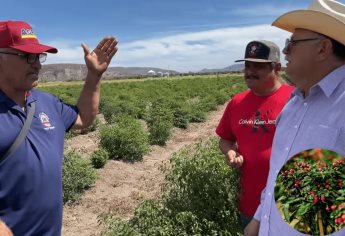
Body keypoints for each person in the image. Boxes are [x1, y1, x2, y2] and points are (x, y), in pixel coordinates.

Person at [0, 20, 117, 235]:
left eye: (38, 57)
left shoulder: (46, 102)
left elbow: (83, 118)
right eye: (27, 56)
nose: (37, 64)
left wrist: (94, 76)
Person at [244, 0, 345, 235]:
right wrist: (260, 218)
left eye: (293, 43)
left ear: (323, 48)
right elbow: (279, 174)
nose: (286, 50)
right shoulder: (296, 101)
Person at [215, 40, 294, 230]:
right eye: (247, 66)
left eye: (258, 66)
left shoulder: (295, 99)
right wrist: (229, 152)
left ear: (276, 68)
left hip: (288, 203)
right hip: (248, 203)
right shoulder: (237, 102)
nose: (250, 71)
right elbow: (225, 139)